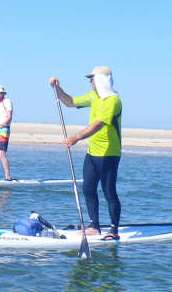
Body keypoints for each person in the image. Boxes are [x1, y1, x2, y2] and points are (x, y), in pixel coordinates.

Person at [50, 66, 122, 239]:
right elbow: (70, 102)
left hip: (109, 153)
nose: (91, 82)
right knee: (88, 189)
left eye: (93, 78)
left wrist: (76, 137)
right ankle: (94, 226)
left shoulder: (113, 100)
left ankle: (114, 230)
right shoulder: (93, 97)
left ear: (102, 80)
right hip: (93, 153)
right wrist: (57, 88)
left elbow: (98, 124)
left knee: (108, 191)